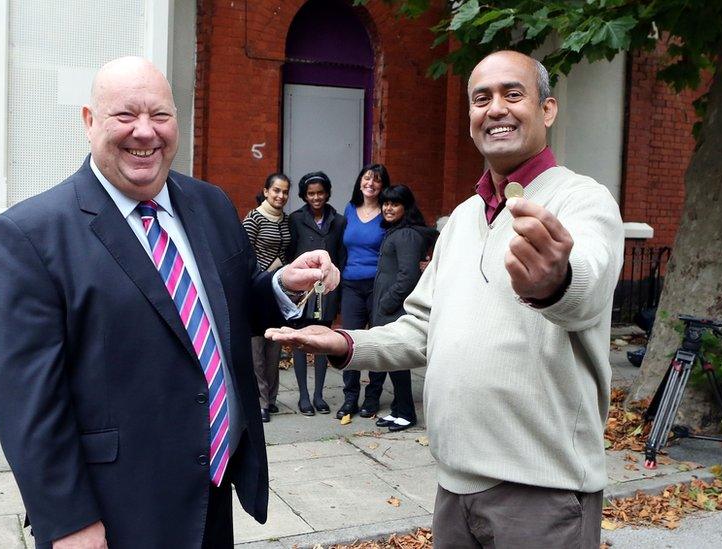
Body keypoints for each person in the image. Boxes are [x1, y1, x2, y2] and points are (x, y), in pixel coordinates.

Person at [267, 50, 624, 548]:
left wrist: (555, 281)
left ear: (547, 109)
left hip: (542, 493)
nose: (495, 108)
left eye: (512, 94)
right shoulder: (461, 219)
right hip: (454, 486)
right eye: (482, 98)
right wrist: (346, 344)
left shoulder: (583, 200)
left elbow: (587, 285)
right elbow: (421, 329)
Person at [0, 57, 339, 548]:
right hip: (118, 509)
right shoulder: (31, 235)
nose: (145, 132)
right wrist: (67, 521)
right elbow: (23, 398)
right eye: (125, 115)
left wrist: (284, 285)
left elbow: (227, 310)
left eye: (160, 116)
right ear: (89, 122)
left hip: (213, 488)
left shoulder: (209, 203)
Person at [370, 185, 437, 432]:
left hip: (395, 308)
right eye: (385, 203)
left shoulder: (407, 235)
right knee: (392, 362)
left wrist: (387, 302)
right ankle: (398, 410)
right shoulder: (396, 232)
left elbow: (407, 276)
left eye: (394, 204)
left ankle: (407, 413)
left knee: (397, 361)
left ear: (405, 207)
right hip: (386, 306)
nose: (388, 208)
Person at [286, 171, 347, 416]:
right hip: (302, 288)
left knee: (322, 339)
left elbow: (342, 256)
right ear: (304, 195)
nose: (316, 197)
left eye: (320, 192)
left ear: (327, 193)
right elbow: (290, 252)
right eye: (311, 193)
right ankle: (303, 396)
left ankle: (319, 395)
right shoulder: (296, 219)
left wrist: (337, 287)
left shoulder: (339, 221)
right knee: (300, 338)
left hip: (327, 289)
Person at [337, 164, 390, 420]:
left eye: (377, 180)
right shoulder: (349, 210)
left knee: (376, 341)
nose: (371, 183)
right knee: (350, 343)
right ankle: (349, 399)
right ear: (360, 182)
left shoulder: (388, 213)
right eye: (367, 178)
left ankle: (372, 398)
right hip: (350, 286)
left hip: (377, 287)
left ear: (383, 186)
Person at [242, 173, 292, 423]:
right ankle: (260, 401)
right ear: (265, 191)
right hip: (257, 289)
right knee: (256, 349)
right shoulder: (254, 218)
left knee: (275, 346)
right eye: (276, 191)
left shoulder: (286, 220)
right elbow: (244, 254)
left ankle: (272, 399)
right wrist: (261, 275)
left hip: (278, 291)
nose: (280, 196)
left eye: (284, 192)